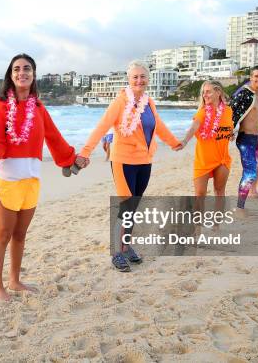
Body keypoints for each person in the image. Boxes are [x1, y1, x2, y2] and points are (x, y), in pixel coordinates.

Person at [0, 53, 82, 301]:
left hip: (31, 179)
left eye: (26, 68)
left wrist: (71, 159)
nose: (21, 72)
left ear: (34, 74)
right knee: (3, 234)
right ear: (10, 75)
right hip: (8, 180)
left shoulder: (38, 108)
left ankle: (15, 281)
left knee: (20, 235)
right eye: (16, 69)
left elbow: (54, 137)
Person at [77, 60, 182, 272]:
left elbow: (158, 125)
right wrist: (85, 152)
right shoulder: (119, 102)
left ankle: (125, 247)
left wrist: (173, 142)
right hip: (123, 161)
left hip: (145, 161)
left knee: (133, 208)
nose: (139, 80)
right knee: (126, 207)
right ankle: (117, 252)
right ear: (128, 79)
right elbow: (101, 127)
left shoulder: (149, 102)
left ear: (148, 80)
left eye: (143, 77)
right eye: (135, 77)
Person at [179, 80, 233, 197]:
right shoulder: (202, 113)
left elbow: (229, 127)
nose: (204, 95)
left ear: (218, 92)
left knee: (220, 192)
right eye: (203, 93)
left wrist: (231, 134)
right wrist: (184, 141)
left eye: (208, 92)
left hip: (222, 159)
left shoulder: (228, 111)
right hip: (204, 160)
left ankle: (219, 215)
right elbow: (194, 127)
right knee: (200, 194)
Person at [230, 65, 258, 213]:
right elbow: (232, 111)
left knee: (251, 171)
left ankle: (245, 199)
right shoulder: (245, 94)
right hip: (245, 139)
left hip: (256, 138)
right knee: (250, 173)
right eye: (256, 76)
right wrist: (230, 131)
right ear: (251, 78)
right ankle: (239, 207)